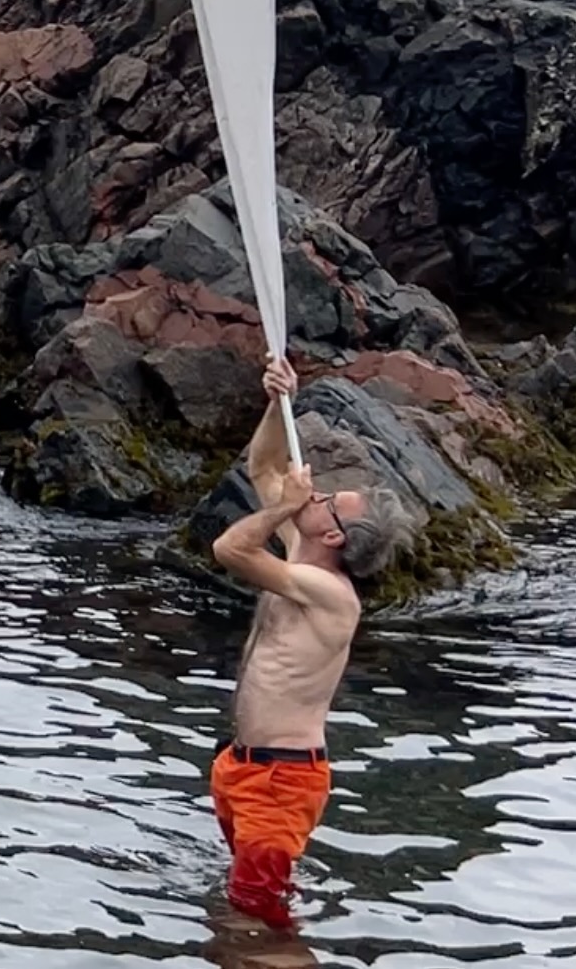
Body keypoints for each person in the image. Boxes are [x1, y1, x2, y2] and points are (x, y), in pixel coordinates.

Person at [205, 353, 394, 936]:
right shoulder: (296, 548)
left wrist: (288, 504)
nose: (317, 496)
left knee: (255, 919)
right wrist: (276, 399)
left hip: (282, 781)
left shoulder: (331, 593)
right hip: (242, 768)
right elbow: (263, 463)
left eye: (327, 503)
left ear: (334, 535)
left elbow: (231, 551)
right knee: (245, 915)